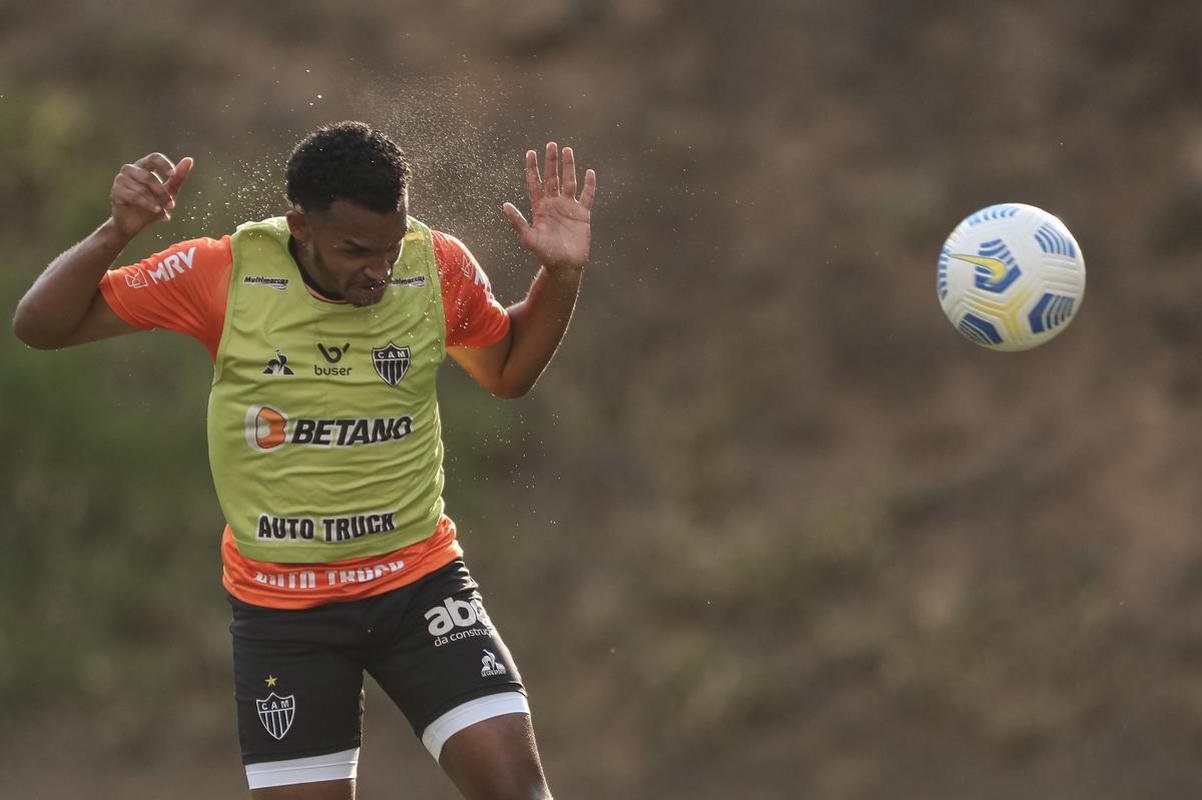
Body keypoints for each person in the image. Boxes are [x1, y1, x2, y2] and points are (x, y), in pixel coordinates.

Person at [13, 121, 597, 800]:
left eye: (389, 246)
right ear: (302, 227)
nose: (379, 269)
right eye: (355, 250)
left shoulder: (433, 265)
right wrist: (115, 233)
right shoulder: (225, 272)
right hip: (285, 611)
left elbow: (508, 372)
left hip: (420, 586)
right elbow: (40, 325)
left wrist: (561, 273)